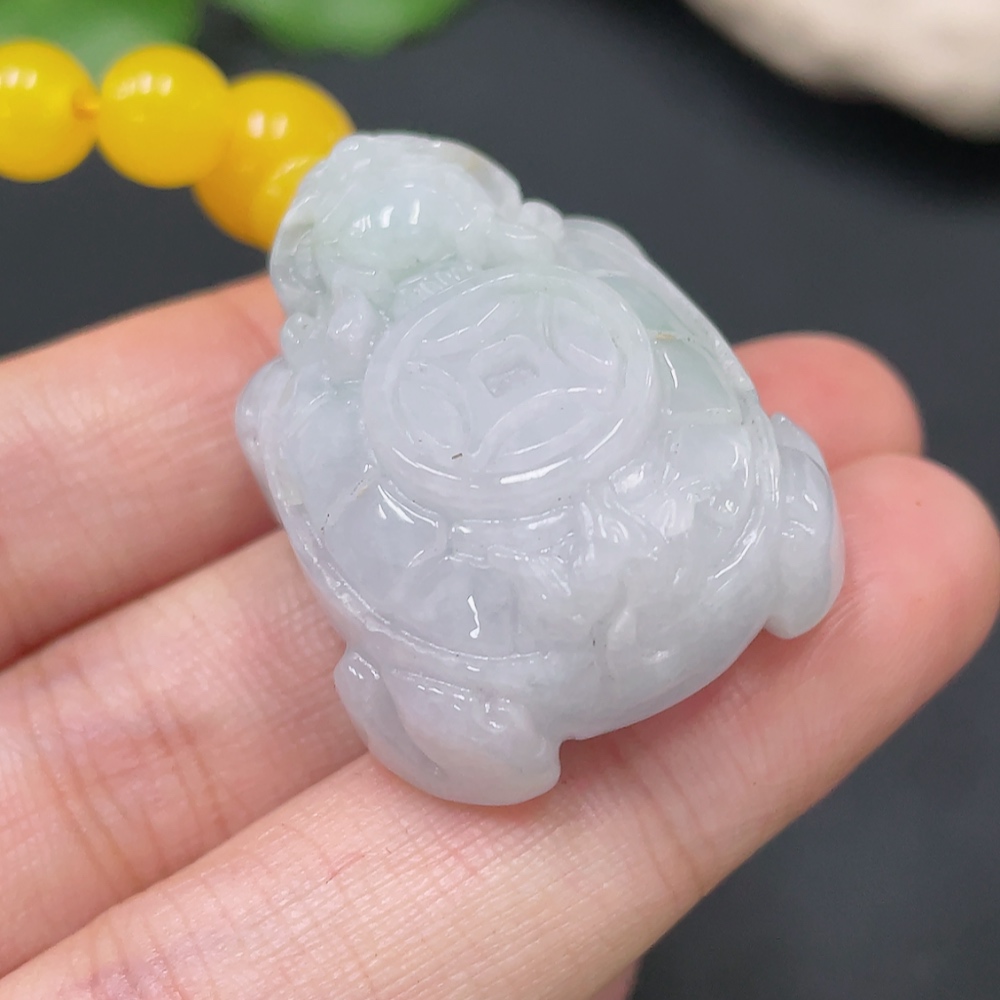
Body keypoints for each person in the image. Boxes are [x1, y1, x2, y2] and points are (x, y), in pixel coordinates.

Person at [0, 274, 996, 1000]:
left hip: (539, 642)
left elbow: (299, 462)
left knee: (467, 717)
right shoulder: (345, 372)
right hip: (683, 557)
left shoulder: (296, 394)